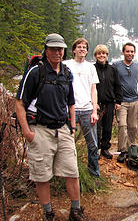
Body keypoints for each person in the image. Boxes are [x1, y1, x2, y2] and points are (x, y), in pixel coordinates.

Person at [15, 33, 89, 220]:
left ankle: (76, 210)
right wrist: (27, 132)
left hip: (62, 129)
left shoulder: (66, 73)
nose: (57, 52)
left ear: (64, 51)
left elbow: (70, 103)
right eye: (53, 48)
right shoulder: (36, 72)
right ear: (46, 50)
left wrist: (71, 127)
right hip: (39, 130)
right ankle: (48, 212)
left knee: (72, 172)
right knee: (42, 175)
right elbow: (19, 103)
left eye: (60, 49)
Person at [64, 37, 100, 178]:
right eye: (79, 46)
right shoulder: (66, 65)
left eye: (84, 47)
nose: (82, 49)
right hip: (69, 109)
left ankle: (94, 174)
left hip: (86, 110)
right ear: (74, 50)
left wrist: (94, 111)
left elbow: (93, 90)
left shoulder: (90, 67)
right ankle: (68, 174)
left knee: (92, 144)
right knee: (66, 143)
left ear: (87, 51)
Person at [113, 42, 138, 163]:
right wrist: (115, 101)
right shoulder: (116, 65)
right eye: (127, 51)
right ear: (123, 52)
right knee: (122, 126)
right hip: (121, 102)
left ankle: (131, 148)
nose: (130, 54)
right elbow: (113, 84)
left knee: (133, 127)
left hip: (134, 101)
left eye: (132, 51)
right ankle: (123, 151)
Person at [93, 44, 123, 159]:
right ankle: (95, 149)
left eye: (104, 53)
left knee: (107, 127)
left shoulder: (112, 69)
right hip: (97, 103)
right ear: (96, 55)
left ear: (107, 55)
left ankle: (105, 148)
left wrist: (118, 101)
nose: (102, 55)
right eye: (99, 53)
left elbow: (118, 85)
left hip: (110, 102)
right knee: (96, 127)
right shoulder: (92, 68)